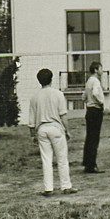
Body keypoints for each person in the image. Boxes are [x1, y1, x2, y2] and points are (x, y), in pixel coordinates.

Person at [28, 68, 77, 196]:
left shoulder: (34, 97)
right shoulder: (58, 94)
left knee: (46, 159)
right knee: (62, 158)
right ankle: (66, 186)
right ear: (51, 79)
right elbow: (63, 115)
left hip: (42, 129)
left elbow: (31, 121)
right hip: (56, 128)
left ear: (39, 81)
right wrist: (68, 130)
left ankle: (48, 188)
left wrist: (32, 135)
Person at [82, 61, 105, 173]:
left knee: (89, 137)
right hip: (95, 110)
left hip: (89, 110)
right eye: (100, 68)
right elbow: (96, 93)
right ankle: (92, 165)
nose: (102, 70)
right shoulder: (95, 81)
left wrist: (88, 100)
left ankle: (87, 163)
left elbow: (83, 96)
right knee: (94, 138)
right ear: (96, 70)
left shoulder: (88, 81)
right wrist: (101, 102)